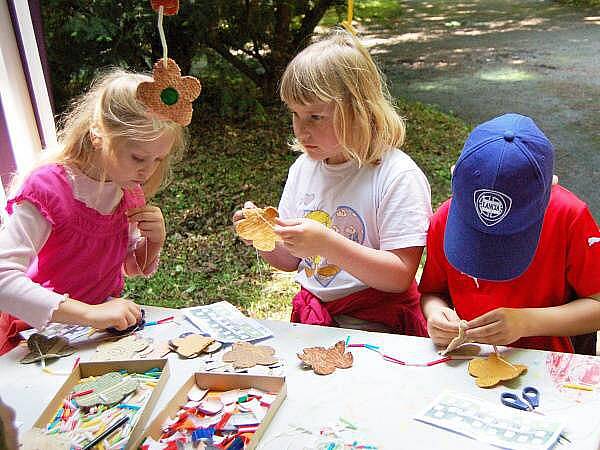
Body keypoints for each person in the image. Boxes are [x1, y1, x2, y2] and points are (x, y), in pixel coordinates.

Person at [233, 30, 432, 335]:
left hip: (379, 324)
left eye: (315, 116)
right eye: (295, 115)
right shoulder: (304, 169)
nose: (301, 130)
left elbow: (399, 275)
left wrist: (326, 242)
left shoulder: (396, 176)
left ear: (360, 111)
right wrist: (262, 239)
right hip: (318, 321)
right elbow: (290, 260)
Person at [0, 69, 187, 355]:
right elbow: (4, 280)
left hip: (90, 336)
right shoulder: (49, 189)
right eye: (138, 157)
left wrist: (155, 241)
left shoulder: (126, 187)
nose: (148, 171)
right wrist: (90, 313)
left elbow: (131, 266)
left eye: (158, 159)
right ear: (99, 135)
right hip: (33, 337)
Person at [420, 113, 600, 354]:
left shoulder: (569, 217)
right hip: (468, 360)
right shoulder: (444, 219)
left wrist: (526, 322)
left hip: (549, 364)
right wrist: (435, 313)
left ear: (548, 189)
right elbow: (433, 292)